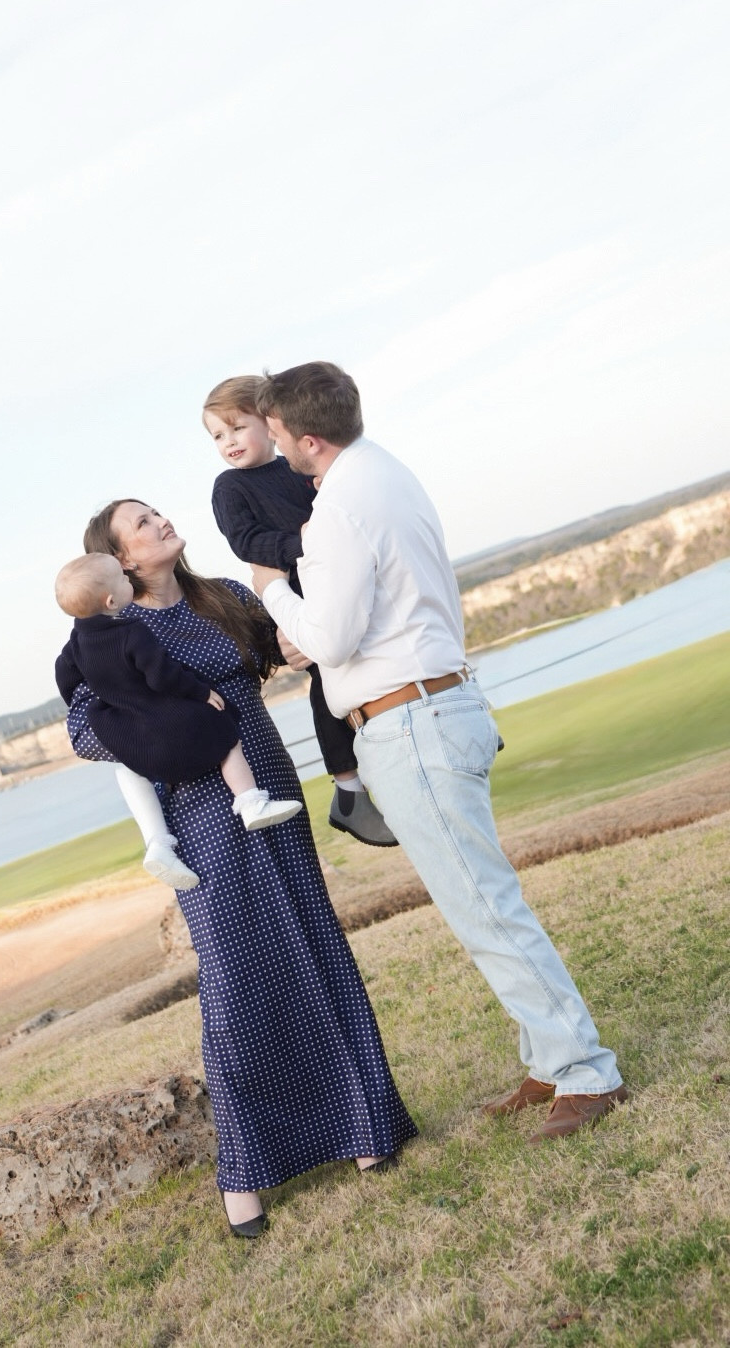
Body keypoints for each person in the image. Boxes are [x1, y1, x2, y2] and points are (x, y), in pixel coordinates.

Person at [249, 361, 627, 1145]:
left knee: (485, 907)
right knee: (480, 903)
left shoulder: (338, 508)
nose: (273, 447)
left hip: (410, 723)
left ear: (308, 439)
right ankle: (550, 1058)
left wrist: (273, 593)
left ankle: (586, 1071)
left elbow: (332, 640)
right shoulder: (383, 472)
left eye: (277, 433)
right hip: (434, 705)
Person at [62, 499, 418, 1237]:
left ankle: (364, 1128)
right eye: (142, 523)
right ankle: (245, 1176)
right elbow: (83, 731)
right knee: (235, 980)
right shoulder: (111, 628)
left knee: (314, 946)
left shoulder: (222, 595)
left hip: (270, 783)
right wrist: (165, 727)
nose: (160, 521)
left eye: (157, 512)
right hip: (197, 807)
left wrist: (297, 647)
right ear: (119, 560)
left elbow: (286, 649)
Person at [202, 375, 397, 848]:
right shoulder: (230, 487)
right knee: (325, 678)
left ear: (271, 425)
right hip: (293, 592)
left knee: (381, 649)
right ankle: (348, 788)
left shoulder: (300, 470)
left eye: (237, 428)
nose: (229, 442)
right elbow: (246, 543)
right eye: (218, 435)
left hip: (336, 579)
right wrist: (303, 542)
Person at [54, 552, 303, 890]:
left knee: (129, 769)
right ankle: (249, 801)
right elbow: (161, 675)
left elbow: (64, 675)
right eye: (122, 579)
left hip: (129, 728)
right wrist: (201, 692)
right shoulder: (132, 631)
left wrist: (84, 694)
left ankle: (157, 842)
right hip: (164, 718)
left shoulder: (76, 644)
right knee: (225, 733)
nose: (128, 581)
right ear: (111, 601)